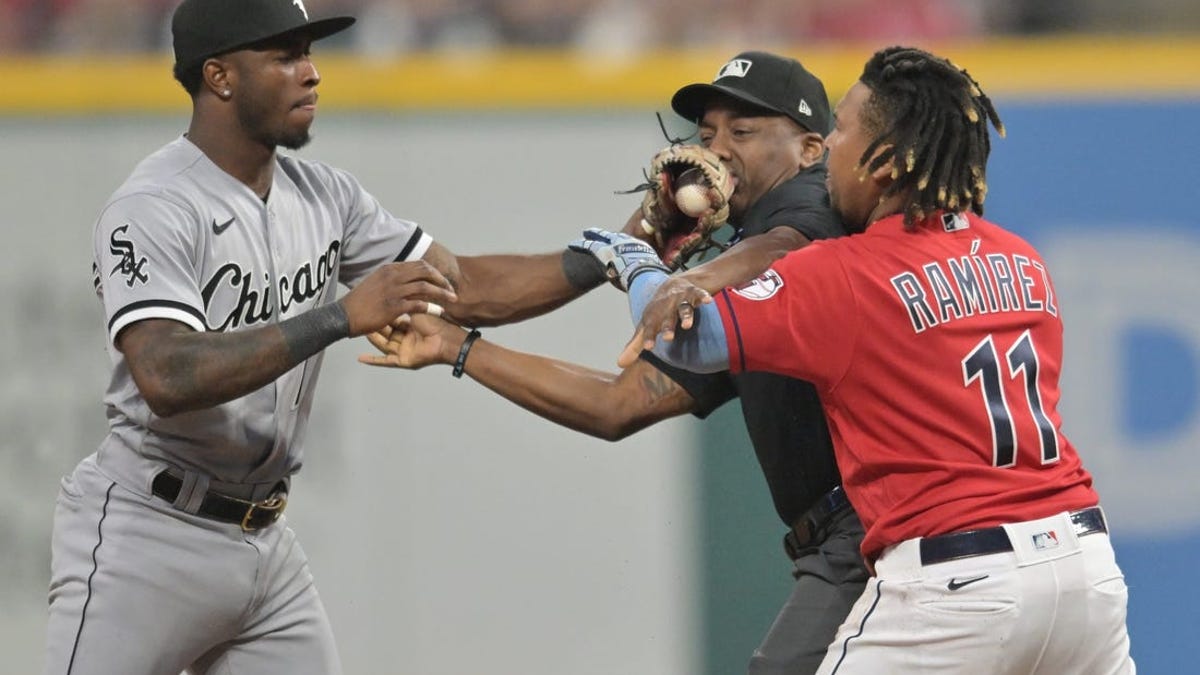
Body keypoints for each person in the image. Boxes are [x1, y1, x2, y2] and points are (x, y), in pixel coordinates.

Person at [45, 1, 620, 673]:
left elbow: (463, 287)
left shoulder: (324, 195)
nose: (312, 73)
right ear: (221, 76)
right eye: (285, 55)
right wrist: (340, 316)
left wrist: (613, 254)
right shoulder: (153, 207)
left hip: (264, 543)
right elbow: (166, 375)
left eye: (309, 53)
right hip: (148, 534)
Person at [600, 45, 1135, 673]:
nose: (828, 145)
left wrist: (631, 254)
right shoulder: (1021, 258)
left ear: (885, 163)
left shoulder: (847, 272)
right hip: (1083, 568)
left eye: (844, 129)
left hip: (955, 583)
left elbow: (691, 340)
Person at [362, 51, 871, 674]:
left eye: (743, 131)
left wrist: (687, 280)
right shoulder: (744, 272)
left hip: (874, 525)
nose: (718, 149)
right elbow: (618, 403)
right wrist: (458, 347)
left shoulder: (815, 211)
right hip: (852, 535)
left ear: (811, 150)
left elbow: (787, 246)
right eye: (707, 133)